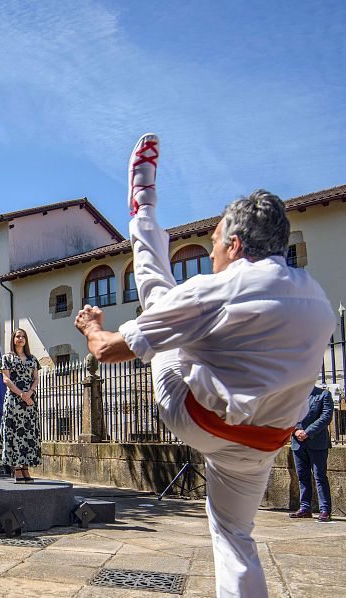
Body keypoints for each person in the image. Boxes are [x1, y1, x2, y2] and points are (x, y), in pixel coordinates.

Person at [74, 133, 335, 598]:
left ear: (234, 245)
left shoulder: (219, 290)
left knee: (156, 297)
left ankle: (143, 207)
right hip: (263, 443)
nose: (211, 257)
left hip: (199, 418)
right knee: (235, 537)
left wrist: (92, 326)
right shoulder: (316, 296)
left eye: (213, 245)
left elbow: (107, 351)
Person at [0, 328, 42, 483]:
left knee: (29, 433)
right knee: (15, 433)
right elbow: (6, 379)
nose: (21, 338)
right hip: (14, 401)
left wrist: (29, 392)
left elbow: (36, 378)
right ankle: (16, 468)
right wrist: (21, 394)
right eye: (18, 336)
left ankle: (25, 467)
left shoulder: (32, 359)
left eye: (23, 336)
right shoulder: (7, 358)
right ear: (13, 339)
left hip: (30, 402)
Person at [289, 385, 334, 522]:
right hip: (298, 442)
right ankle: (305, 508)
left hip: (317, 442)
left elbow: (326, 417)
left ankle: (325, 510)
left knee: (320, 476)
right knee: (302, 476)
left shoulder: (323, 395)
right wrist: (296, 430)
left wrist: (307, 432)